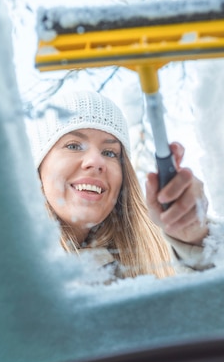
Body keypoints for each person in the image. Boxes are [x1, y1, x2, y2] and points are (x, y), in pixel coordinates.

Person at [27, 89, 213, 280]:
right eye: (73, 146)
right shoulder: (5, 261)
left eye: (109, 152)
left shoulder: (152, 264)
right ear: (37, 168)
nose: (96, 161)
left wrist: (195, 240)